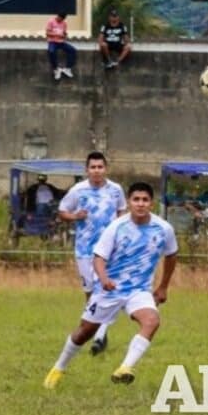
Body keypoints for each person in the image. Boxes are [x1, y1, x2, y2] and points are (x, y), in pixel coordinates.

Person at [44, 182, 178, 388]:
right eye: (136, 200)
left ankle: (124, 368)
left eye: (145, 200)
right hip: (110, 289)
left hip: (139, 290)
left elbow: (171, 255)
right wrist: (104, 278)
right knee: (84, 333)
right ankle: (58, 368)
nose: (140, 204)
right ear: (130, 202)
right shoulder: (117, 227)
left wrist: (163, 286)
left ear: (151, 203)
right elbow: (98, 257)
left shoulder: (164, 229)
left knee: (152, 321)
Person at [58, 152, 126, 355]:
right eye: (93, 167)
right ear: (87, 170)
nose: (97, 171)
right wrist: (74, 216)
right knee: (90, 294)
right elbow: (62, 211)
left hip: (109, 251)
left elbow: (122, 210)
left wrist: (120, 229)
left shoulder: (115, 190)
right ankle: (96, 329)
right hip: (85, 249)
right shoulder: (78, 190)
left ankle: (99, 335)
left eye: (100, 167)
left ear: (106, 168)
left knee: (106, 290)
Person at [46, 13, 76, 81]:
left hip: (61, 42)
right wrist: (57, 34)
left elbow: (64, 33)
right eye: (60, 19)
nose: (61, 20)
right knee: (51, 51)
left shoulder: (64, 23)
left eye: (63, 19)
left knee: (72, 50)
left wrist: (65, 35)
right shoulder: (51, 21)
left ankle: (67, 69)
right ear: (58, 16)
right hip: (52, 42)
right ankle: (56, 69)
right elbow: (47, 33)